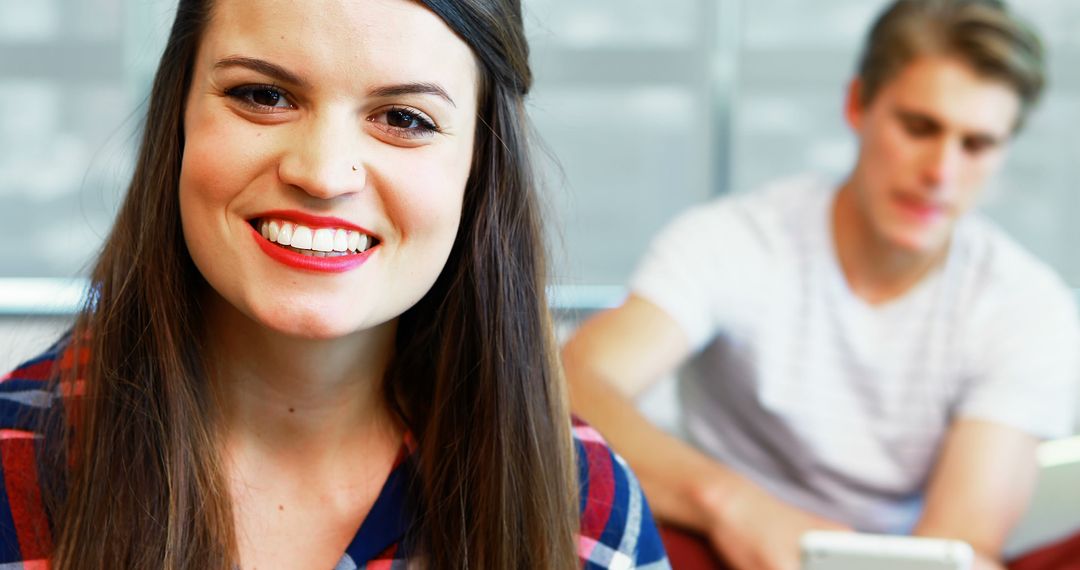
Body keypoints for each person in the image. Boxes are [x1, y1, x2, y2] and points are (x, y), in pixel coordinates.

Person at [0, 0, 671, 568]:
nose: (322, 173)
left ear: (480, 168)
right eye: (262, 95)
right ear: (178, 117)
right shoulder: (13, 460)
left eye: (404, 119)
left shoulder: (587, 511)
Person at [562, 1, 1079, 570]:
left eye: (977, 145)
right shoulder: (738, 239)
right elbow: (574, 381)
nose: (942, 172)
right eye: (919, 127)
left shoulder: (1026, 305)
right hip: (719, 549)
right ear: (857, 104)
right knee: (584, 501)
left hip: (909, 559)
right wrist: (729, 505)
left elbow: (958, 542)